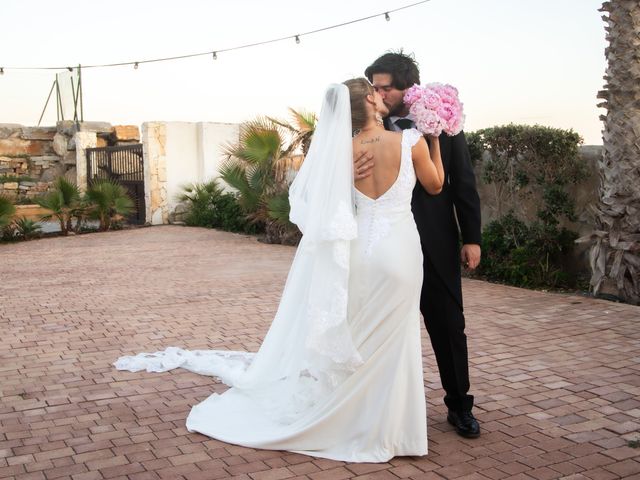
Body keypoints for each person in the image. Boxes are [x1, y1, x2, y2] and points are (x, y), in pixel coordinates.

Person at [114, 78, 444, 463]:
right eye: (376, 89)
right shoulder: (410, 142)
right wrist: (436, 138)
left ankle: (358, 419)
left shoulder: (342, 154)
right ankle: (394, 431)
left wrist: (346, 179)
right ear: (371, 99)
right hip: (400, 250)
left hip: (357, 253)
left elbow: (315, 203)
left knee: (361, 336)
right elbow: (435, 185)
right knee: (395, 337)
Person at [362, 52, 482, 438]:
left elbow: (462, 182)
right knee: (377, 327)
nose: (379, 93)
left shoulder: (443, 124)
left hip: (435, 241)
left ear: (407, 88)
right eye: (375, 87)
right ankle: (376, 408)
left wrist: (472, 238)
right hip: (384, 246)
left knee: (448, 324)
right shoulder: (360, 126)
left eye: (386, 87)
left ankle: (459, 406)